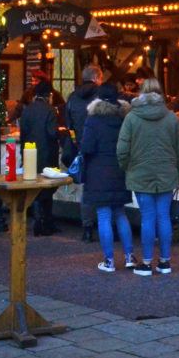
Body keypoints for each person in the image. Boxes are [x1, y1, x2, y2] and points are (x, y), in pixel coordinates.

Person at [118, 78, 179, 276]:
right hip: (166, 174)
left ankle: (146, 263)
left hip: (140, 173)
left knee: (148, 217)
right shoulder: (171, 118)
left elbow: (122, 149)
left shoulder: (132, 117)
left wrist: (127, 168)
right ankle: (165, 261)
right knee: (163, 216)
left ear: (141, 93)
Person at [81, 83, 135, 273]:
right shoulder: (124, 119)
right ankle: (129, 257)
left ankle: (109, 261)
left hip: (98, 172)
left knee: (103, 215)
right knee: (120, 213)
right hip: (119, 171)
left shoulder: (93, 120)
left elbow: (86, 148)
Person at [65, 64, 103, 242]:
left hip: (82, 147)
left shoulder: (72, 97)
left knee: (87, 190)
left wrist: (76, 141)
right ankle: (107, 228)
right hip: (102, 147)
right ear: (96, 78)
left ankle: (87, 228)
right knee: (106, 186)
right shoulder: (102, 95)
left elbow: (68, 125)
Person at [20, 80, 62, 236]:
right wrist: (61, 133)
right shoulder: (50, 110)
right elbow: (52, 133)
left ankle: (38, 220)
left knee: (35, 187)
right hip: (47, 153)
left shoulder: (27, 110)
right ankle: (45, 222)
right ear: (49, 95)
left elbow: (23, 132)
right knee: (47, 187)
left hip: (30, 152)